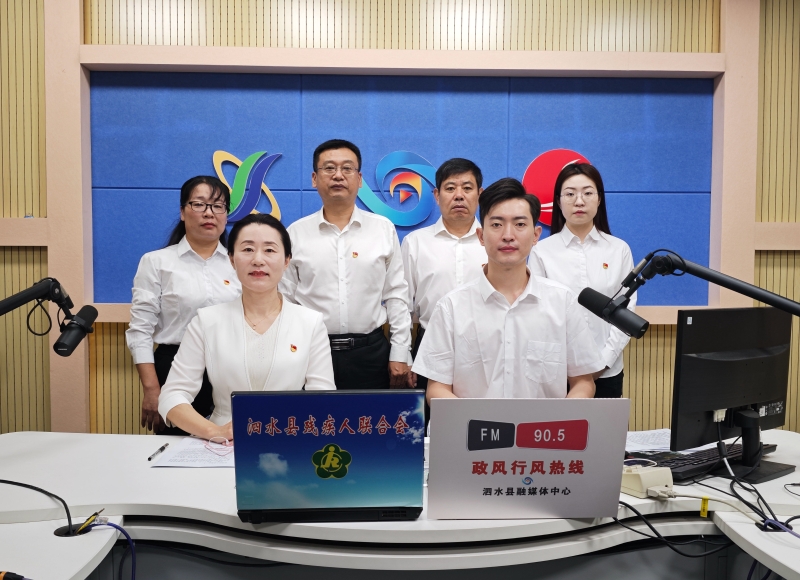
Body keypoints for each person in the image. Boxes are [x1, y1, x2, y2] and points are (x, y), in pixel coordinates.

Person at [412, 178, 604, 403]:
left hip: (543, 426)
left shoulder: (562, 302)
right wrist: (474, 421)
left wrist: (561, 420)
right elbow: (437, 388)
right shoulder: (451, 307)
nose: (508, 235)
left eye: (520, 224)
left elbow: (583, 382)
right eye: (496, 224)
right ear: (481, 236)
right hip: (473, 426)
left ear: (536, 235)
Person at [158, 213, 336, 440]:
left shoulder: (310, 322)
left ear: (286, 260)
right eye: (248, 249)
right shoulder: (207, 321)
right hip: (223, 444)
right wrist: (214, 431)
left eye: (269, 250)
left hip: (289, 441)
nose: (258, 260)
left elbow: (323, 398)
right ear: (232, 259)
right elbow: (172, 395)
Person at [279, 139, 413, 390]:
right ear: (314, 179)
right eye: (329, 168)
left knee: (370, 416)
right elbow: (285, 301)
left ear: (359, 179)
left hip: (371, 354)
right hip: (312, 351)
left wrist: (400, 352)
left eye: (347, 168)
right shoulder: (295, 234)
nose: (338, 175)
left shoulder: (382, 229)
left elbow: (397, 294)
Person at [126, 176, 241, 435]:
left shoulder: (240, 263)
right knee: (177, 448)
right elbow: (140, 331)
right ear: (182, 212)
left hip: (231, 368)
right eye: (199, 204)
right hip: (175, 367)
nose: (209, 213)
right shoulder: (156, 262)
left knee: (232, 446)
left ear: (226, 215)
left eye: (218, 206)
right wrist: (152, 389)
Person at [530, 162, 636, 399]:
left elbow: (626, 311)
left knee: (604, 425)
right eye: (570, 194)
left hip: (608, 370)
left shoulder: (619, 250)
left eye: (588, 193)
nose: (579, 201)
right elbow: (538, 314)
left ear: (599, 199)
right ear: (559, 202)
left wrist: (604, 361)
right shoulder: (541, 252)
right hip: (558, 373)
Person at [401, 158, 487, 394]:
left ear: (480, 194)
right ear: (437, 195)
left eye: (467, 188)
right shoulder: (416, 243)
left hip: (487, 346)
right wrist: (405, 354)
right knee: (432, 414)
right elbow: (403, 305)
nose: (459, 196)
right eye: (450, 188)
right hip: (430, 344)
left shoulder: (494, 242)